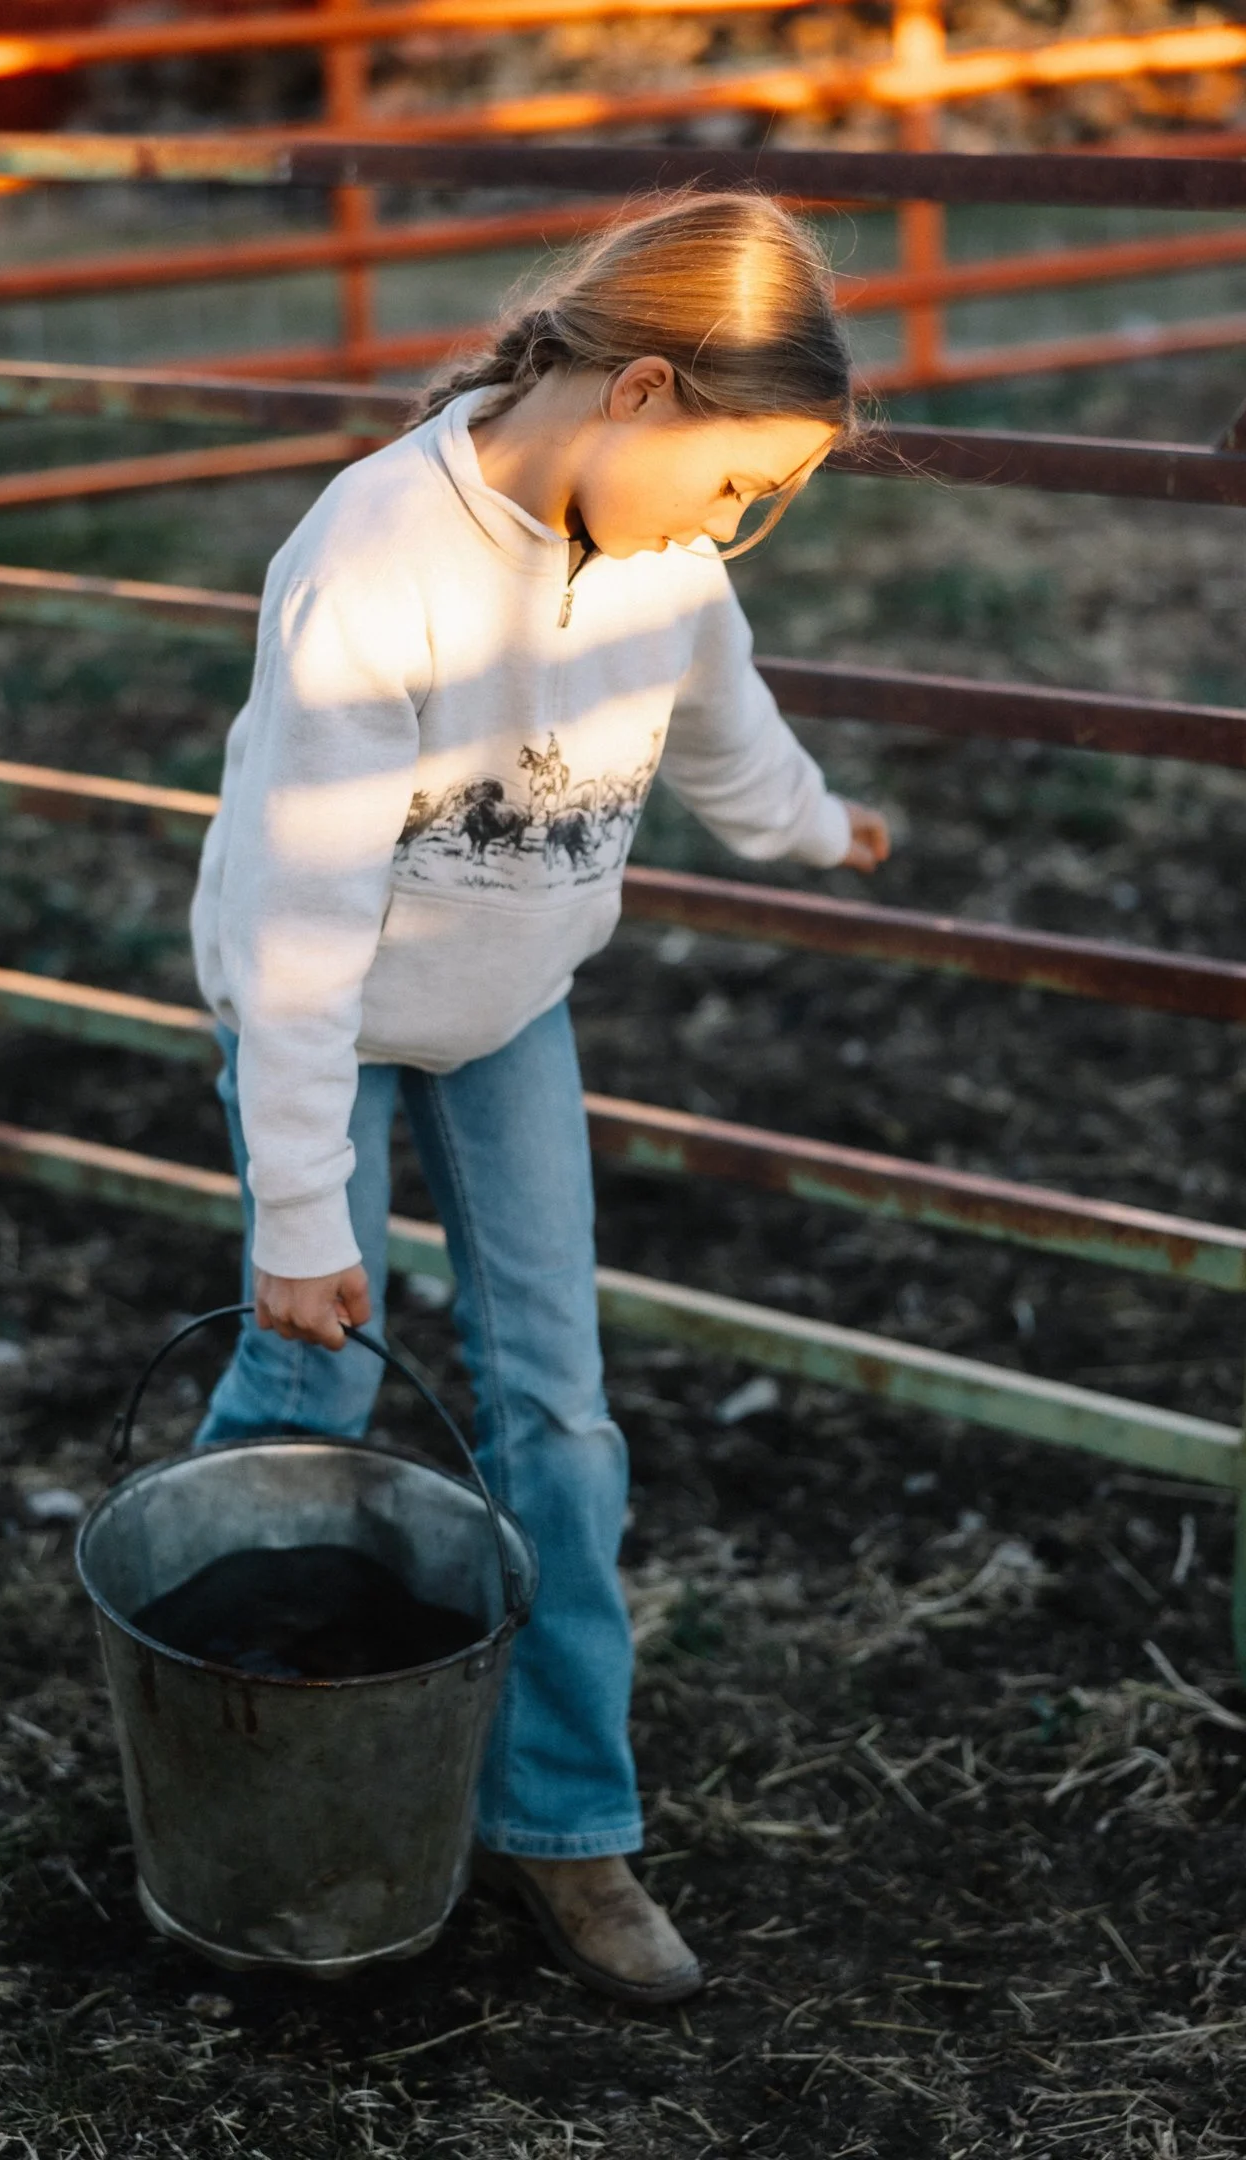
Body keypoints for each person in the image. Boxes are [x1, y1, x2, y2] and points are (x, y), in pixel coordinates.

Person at [189, 190, 891, 2007]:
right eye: (735, 483)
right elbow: (300, 908)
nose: (734, 530)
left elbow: (724, 713)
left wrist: (811, 825)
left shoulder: (667, 562)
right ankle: (211, 1726)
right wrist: (296, 1215)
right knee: (313, 1367)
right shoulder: (376, 557)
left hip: (508, 1008)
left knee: (559, 1419)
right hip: (320, 1014)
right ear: (641, 391)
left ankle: (565, 1829)